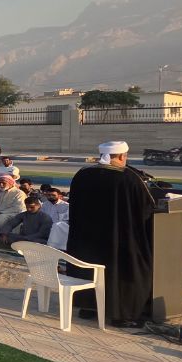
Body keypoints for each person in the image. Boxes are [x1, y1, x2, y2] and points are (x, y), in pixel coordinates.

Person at [66, 141, 155, 328]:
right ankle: (120, 314)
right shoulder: (130, 178)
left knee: (89, 269)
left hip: (86, 239)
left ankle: (89, 307)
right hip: (119, 240)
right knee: (119, 272)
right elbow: (146, 209)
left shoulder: (82, 174)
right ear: (122, 156)